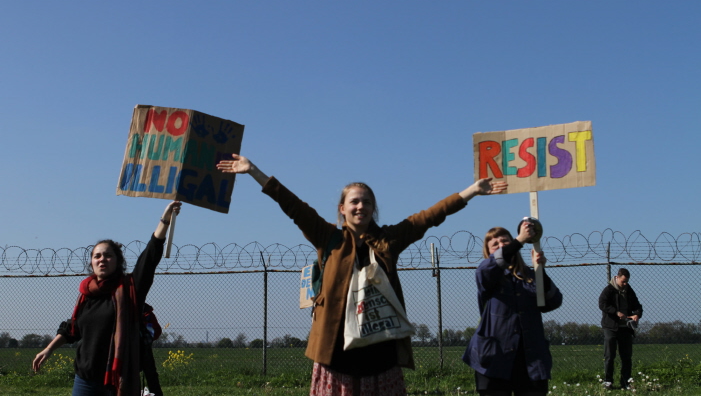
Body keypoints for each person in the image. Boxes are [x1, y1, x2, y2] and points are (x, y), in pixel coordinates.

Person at [217, 154, 506, 396]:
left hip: (380, 354)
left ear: (373, 209)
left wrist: (471, 191)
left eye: (367, 202)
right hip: (335, 354)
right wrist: (253, 171)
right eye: (354, 202)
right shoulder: (328, 237)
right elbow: (293, 206)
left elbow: (428, 217)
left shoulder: (389, 239)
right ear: (342, 209)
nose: (360, 206)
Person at [33, 201, 182, 396]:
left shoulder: (130, 289)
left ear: (118, 261)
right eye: (97, 256)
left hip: (119, 379)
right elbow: (73, 328)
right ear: (92, 262)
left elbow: (150, 256)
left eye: (108, 255)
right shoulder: (86, 294)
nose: (102, 259)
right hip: (85, 379)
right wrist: (48, 349)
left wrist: (165, 219)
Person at [462, 220, 563, 396]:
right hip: (494, 360)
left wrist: (541, 272)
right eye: (495, 244)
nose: (501, 245)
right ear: (488, 251)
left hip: (531, 359)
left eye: (505, 241)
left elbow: (553, 302)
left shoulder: (530, 277)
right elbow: (486, 269)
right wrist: (520, 240)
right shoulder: (487, 275)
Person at [598, 267, 643, 390]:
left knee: (626, 357)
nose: (625, 283)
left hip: (625, 328)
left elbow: (637, 305)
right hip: (611, 327)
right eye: (623, 281)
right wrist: (616, 313)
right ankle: (608, 381)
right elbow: (602, 304)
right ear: (617, 278)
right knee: (609, 356)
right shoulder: (608, 290)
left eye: (627, 281)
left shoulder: (629, 290)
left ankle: (625, 383)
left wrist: (636, 315)